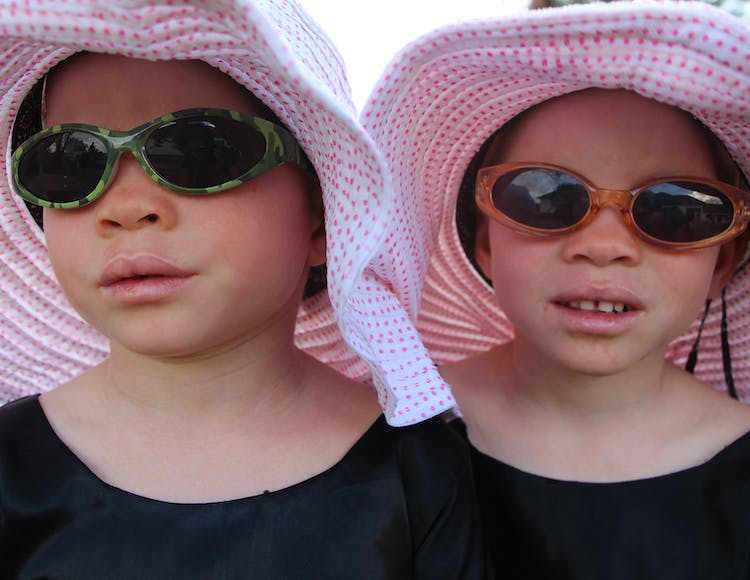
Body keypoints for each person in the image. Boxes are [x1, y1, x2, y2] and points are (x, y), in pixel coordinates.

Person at [0, 1, 489, 577]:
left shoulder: (417, 468)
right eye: (69, 163)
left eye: (199, 151)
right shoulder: (10, 465)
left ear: (321, 217)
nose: (127, 208)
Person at [362, 1, 750, 578]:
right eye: (544, 195)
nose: (603, 244)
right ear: (486, 245)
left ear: (724, 262)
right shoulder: (391, 428)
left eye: (675, 209)